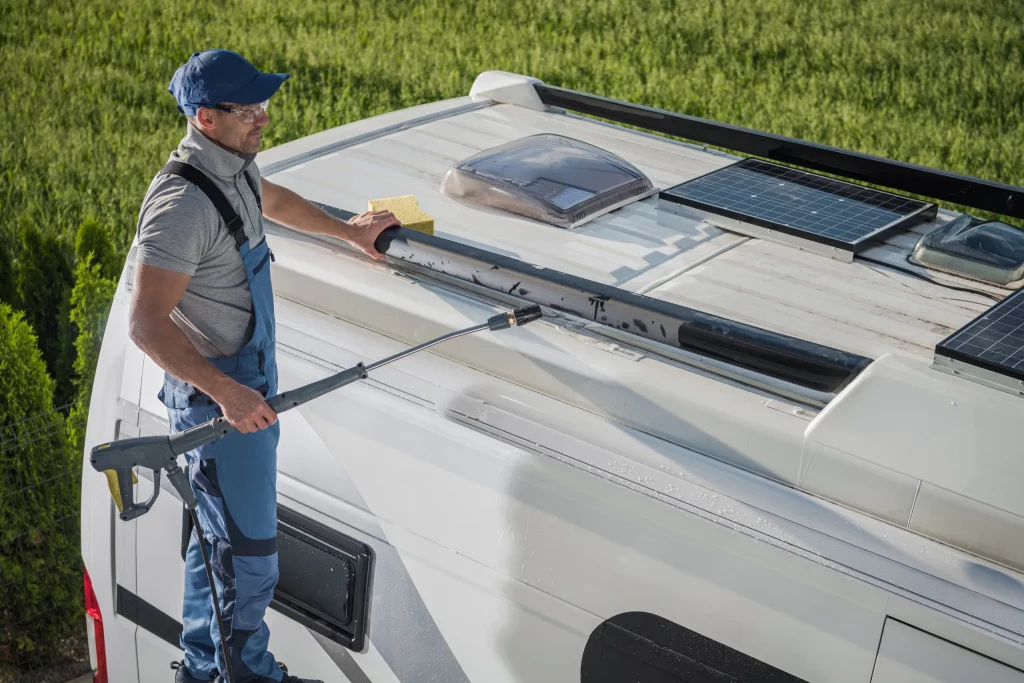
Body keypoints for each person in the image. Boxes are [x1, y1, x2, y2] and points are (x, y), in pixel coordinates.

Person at [129, 49, 399, 683]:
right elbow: (144, 324)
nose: (263, 119)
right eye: (247, 110)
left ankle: (204, 669)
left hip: (243, 387)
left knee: (216, 545)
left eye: (264, 106)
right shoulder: (181, 209)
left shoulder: (234, 167)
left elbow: (271, 198)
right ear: (205, 117)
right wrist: (227, 393)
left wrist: (348, 231)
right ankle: (241, 674)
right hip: (220, 403)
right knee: (247, 557)